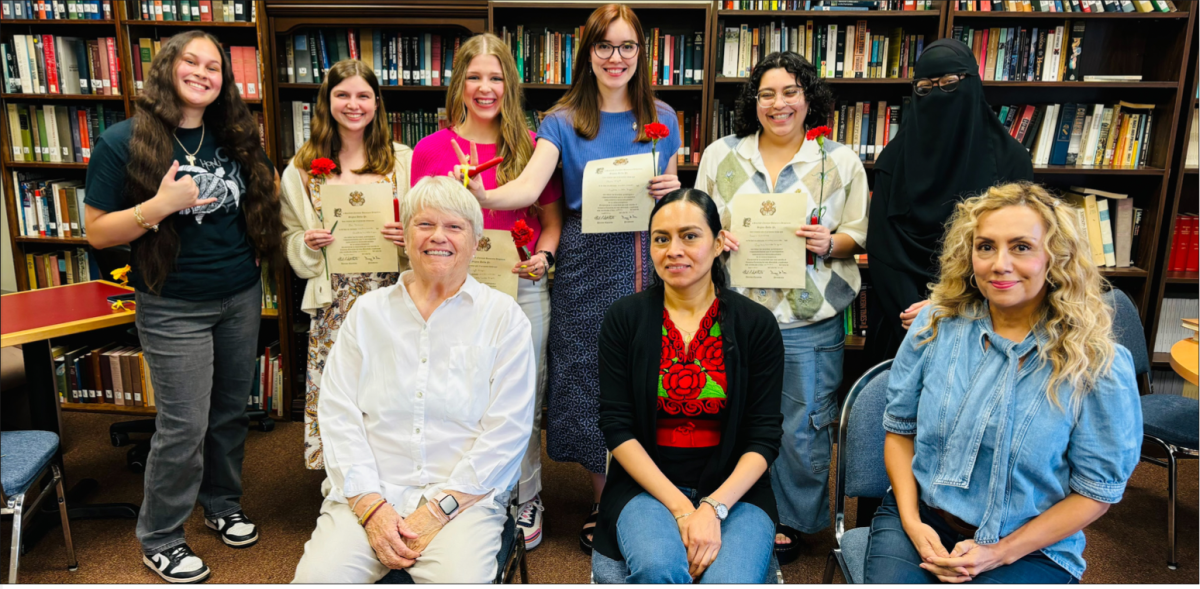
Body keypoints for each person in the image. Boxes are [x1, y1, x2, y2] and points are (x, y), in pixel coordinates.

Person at [451, 3, 682, 553]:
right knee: (585, 373)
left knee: (653, 372)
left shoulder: (664, 116)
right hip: (585, 257)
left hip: (651, 255)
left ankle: (653, 493)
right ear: (588, 54)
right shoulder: (561, 119)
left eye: (627, 46)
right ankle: (606, 499)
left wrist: (671, 187)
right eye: (604, 46)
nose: (616, 58)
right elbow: (529, 188)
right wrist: (481, 196)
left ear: (640, 54)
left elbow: (674, 191)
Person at [863, 182, 1142, 584]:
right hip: (921, 516)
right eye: (986, 246)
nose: (999, 264)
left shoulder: (1098, 363)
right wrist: (911, 522)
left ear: (1056, 257)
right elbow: (899, 432)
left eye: (1022, 247)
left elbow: (1096, 492)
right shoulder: (934, 325)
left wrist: (998, 553)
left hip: (1031, 545)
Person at [83, 30, 281, 583]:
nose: (201, 72)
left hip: (239, 296)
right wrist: (158, 206)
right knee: (183, 425)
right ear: (168, 68)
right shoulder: (123, 140)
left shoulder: (233, 136)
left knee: (228, 413)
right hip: (173, 306)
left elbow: (258, 200)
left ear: (224, 80)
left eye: (213, 66)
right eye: (190, 61)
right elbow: (96, 231)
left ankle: (220, 503)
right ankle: (162, 536)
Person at [291, 176, 536, 584]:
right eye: (424, 225)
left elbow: (507, 431)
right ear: (404, 237)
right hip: (370, 492)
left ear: (476, 242)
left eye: (455, 227)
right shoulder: (368, 314)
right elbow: (337, 414)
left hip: (464, 501)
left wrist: (439, 509)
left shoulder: (504, 318)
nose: (438, 236)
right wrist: (371, 506)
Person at [696, 51, 868, 563]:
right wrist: (713, 237)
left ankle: (791, 517)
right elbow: (697, 221)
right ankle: (733, 506)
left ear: (808, 97)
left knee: (802, 422)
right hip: (735, 313)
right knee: (730, 414)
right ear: (754, 101)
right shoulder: (722, 155)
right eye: (767, 93)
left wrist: (828, 242)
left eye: (790, 91)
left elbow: (859, 234)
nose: (779, 103)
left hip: (808, 318)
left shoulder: (837, 161)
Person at [409, 32, 563, 549]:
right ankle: (468, 495)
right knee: (460, 393)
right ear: (459, 83)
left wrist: (546, 255)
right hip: (452, 294)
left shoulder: (531, 147)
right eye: (474, 76)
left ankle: (527, 495)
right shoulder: (430, 150)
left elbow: (551, 218)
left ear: (509, 84)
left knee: (524, 396)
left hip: (521, 290)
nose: (485, 87)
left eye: (495, 77)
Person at [592, 188, 783, 583]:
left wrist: (712, 509)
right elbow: (617, 426)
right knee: (660, 569)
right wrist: (682, 509)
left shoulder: (756, 325)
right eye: (661, 239)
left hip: (737, 491)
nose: (673, 250)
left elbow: (764, 437)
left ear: (718, 244)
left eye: (689, 236)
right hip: (646, 487)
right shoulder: (624, 319)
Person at [865, 39, 1034, 367]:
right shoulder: (893, 160)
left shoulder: (1011, 162)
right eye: (925, 88)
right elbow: (882, 250)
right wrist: (915, 310)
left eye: (949, 85)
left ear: (971, 85)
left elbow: (1014, 251)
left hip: (983, 318)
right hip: (904, 321)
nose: (937, 96)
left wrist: (946, 306)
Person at [279, 59, 412, 472]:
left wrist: (409, 240)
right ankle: (340, 477)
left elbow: (427, 228)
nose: (353, 105)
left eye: (363, 96)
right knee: (340, 388)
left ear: (377, 103)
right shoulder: (301, 169)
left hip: (392, 295)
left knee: (392, 388)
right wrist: (306, 242)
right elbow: (288, 237)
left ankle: (393, 473)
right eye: (342, 95)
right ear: (327, 100)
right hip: (334, 299)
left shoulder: (402, 160)